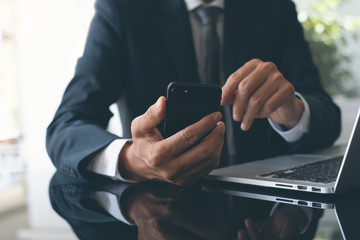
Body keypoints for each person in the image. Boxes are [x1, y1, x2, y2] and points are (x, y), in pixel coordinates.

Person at [46, 0, 341, 185]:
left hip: (263, 210)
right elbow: (67, 125)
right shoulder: (122, 9)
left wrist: (293, 113)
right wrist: (132, 160)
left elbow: (326, 113)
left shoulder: (274, 8)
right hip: (156, 202)